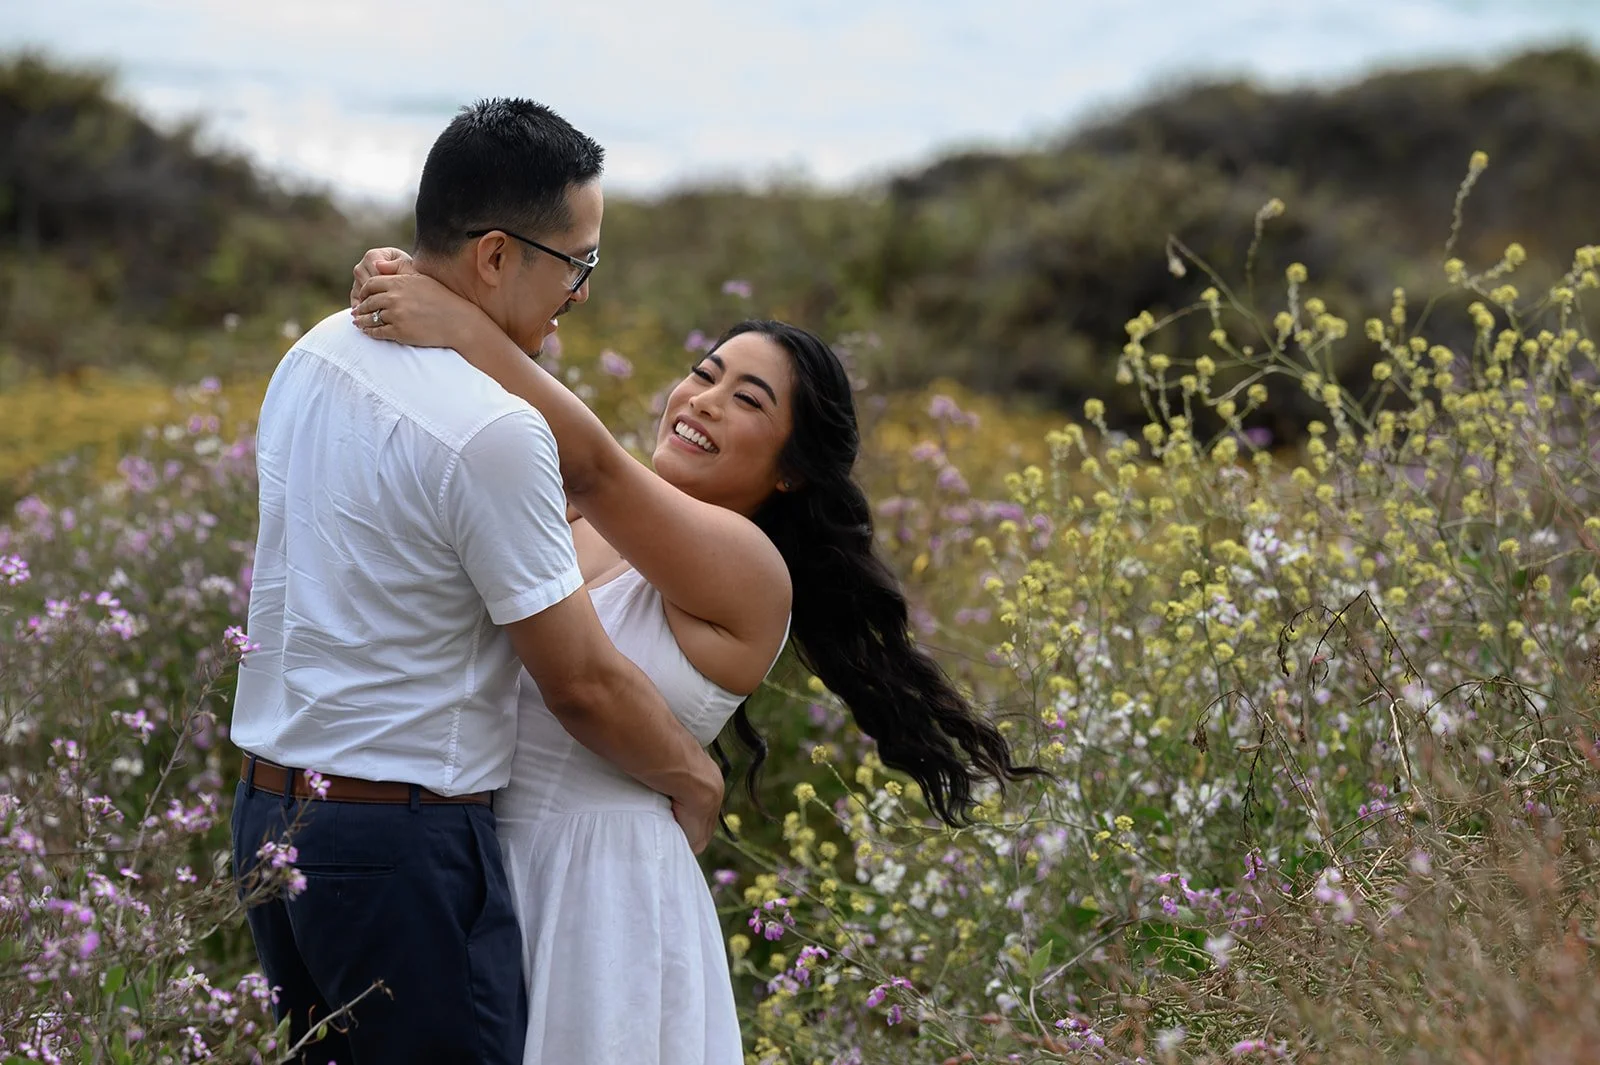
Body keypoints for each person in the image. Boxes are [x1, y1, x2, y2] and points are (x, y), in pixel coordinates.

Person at [348, 250, 1046, 1063]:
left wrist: (459, 323)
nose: (703, 401)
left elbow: (595, 464)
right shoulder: (577, 519)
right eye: (704, 374)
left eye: (746, 399)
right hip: (481, 858)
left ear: (792, 471)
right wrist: (407, 275)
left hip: (601, 891)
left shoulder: (752, 570)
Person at [228, 98, 725, 1065]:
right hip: (398, 848)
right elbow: (580, 681)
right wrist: (693, 776)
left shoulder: (312, 352)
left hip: (268, 818)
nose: (583, 292)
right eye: (577, 261)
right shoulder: (493, 429)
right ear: (496, 255)